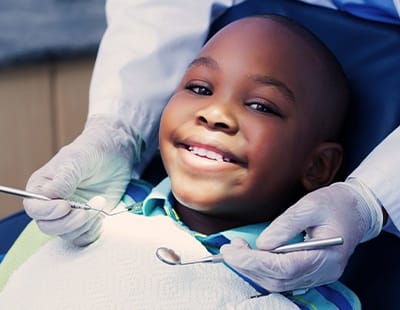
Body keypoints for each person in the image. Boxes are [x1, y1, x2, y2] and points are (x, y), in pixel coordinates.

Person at [22, 0, 400, 293]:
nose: (215, 112)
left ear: (319, 167)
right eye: (200, 89)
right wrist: (118, 128)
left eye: (261, 106)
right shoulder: (80, 216)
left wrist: (370, 200)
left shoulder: (298, 285)